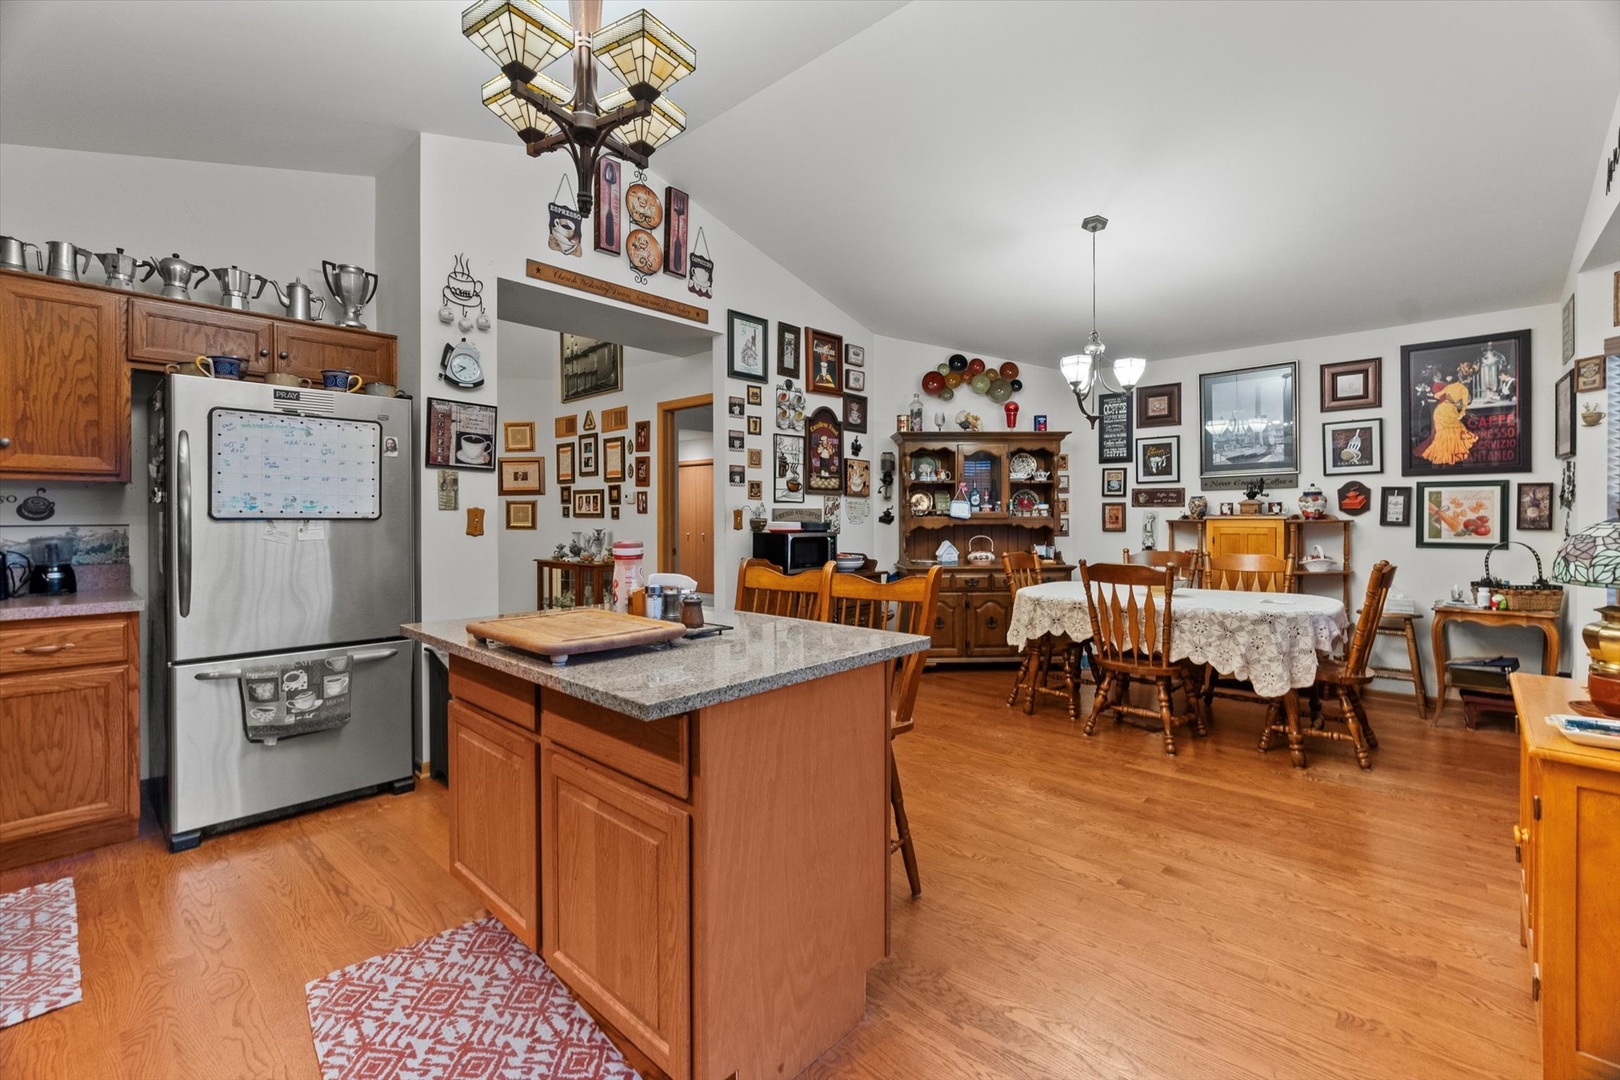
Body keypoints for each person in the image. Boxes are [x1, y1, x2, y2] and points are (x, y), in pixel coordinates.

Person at [1418, 382, 1478, 467]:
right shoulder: (1464, 391)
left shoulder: (1450, 387)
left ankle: (1440, 464)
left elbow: (1436, 396)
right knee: (1455, 438)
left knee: (1443, 439)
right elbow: (1464, 406)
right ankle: (1451, 463)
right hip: (1449, 414)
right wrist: (1461, 414)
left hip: (1440, 411)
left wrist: (1449, 400)